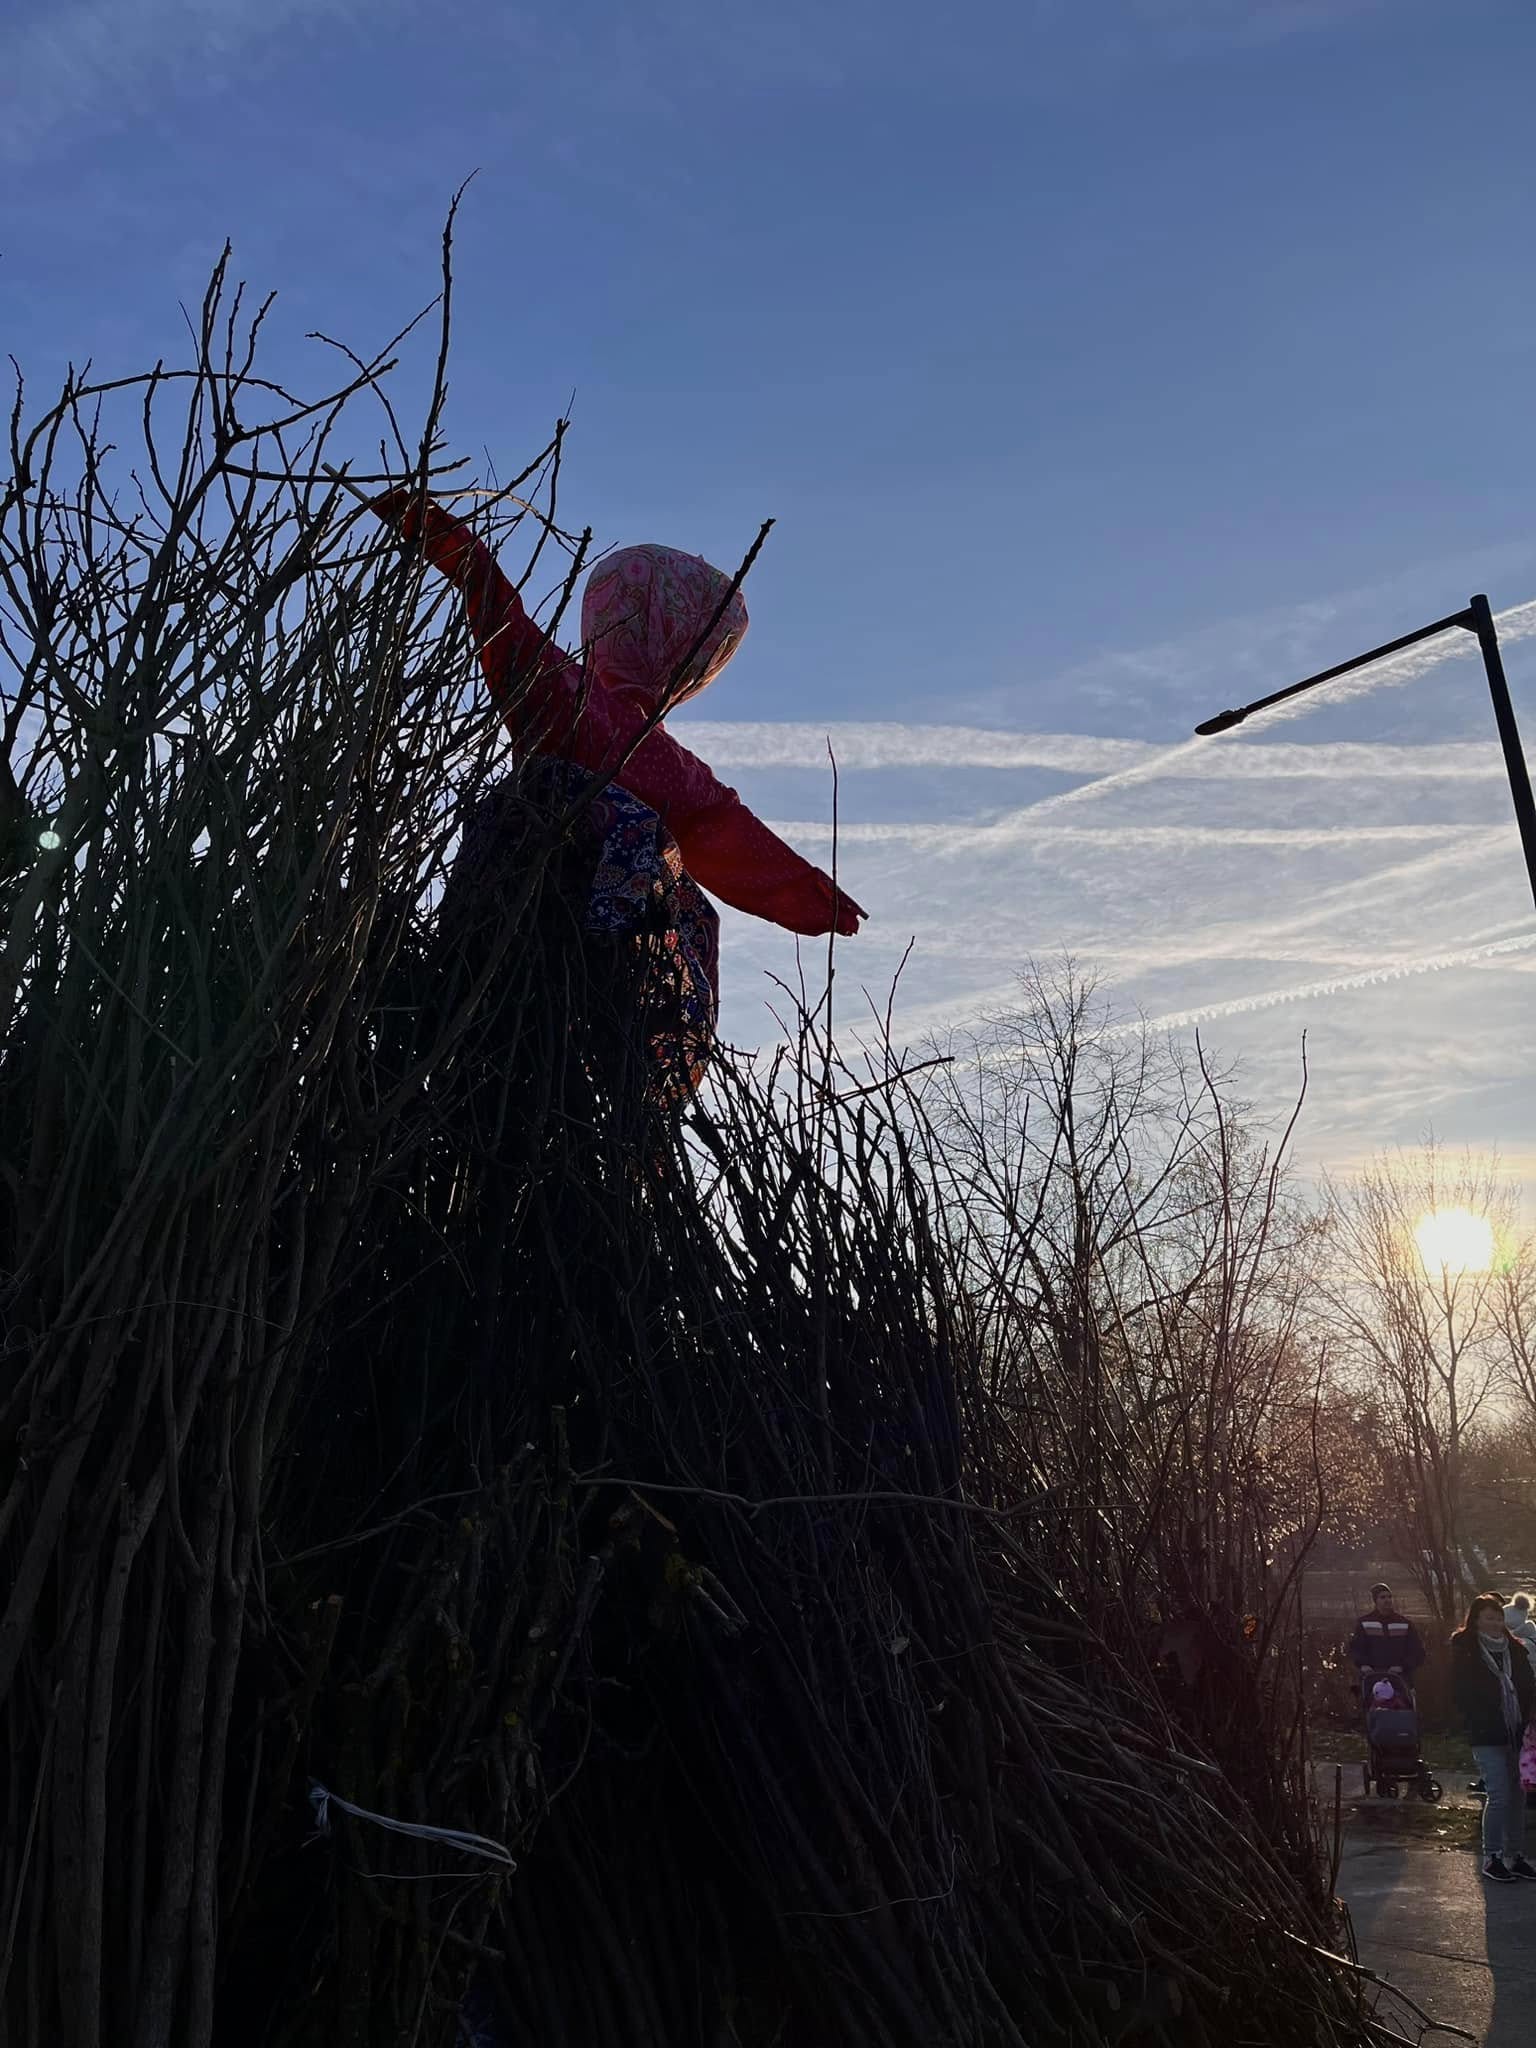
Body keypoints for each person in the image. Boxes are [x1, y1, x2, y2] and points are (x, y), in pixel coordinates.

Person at [1450, 1593, 1536, 1884]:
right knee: (1499, 1794)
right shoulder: (1466, 1652)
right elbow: (1460, 1694)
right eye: (1488, 1618)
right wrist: (1479, 1716)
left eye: (1499, 1618)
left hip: (1517, 1733)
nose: (1495, 1623)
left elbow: (1528, 1686)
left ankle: (1517, 1855)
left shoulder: (1517, 1651)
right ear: (1475, 1620)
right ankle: (1493, 1856)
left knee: (1518, 1796)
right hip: (1486, 1733)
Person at [1347, 1584, 1426, 1702]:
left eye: (1389, 1597)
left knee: (1403, 1709)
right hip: (1372, 1679)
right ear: (1375, 1600)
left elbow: (1418, 1652)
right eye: (1382, 1597)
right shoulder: (1364, 1623)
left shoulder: (1405, 1624)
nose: (1387, 1600)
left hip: (1400, 1679)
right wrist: (1363, 1664)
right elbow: (1355, 1649)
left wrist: (1402, 1666)